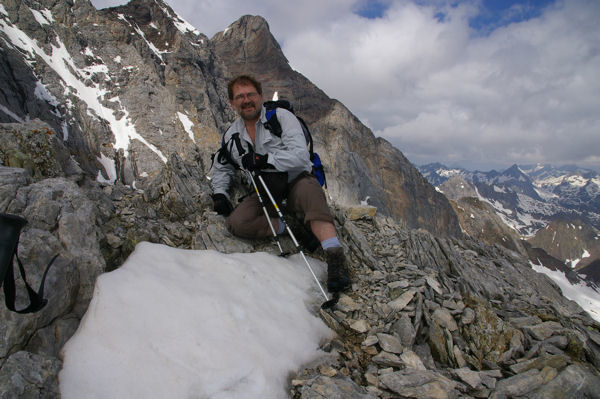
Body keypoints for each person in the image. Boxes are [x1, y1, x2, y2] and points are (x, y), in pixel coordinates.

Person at [211, 75, 351, 293]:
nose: (246, 100)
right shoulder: (232, 135)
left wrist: (264, 160)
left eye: (250, 95)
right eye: (240, 97)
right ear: (232, 103)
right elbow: (222, 166)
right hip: (263, 190)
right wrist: (220, 193)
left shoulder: (282, 118)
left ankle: (335, 258)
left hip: (294, 181)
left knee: (310, 192)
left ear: (260, 96)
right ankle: (291, 226)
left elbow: (301, 157)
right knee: (237, 223)